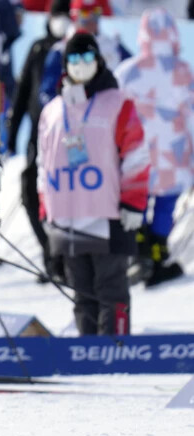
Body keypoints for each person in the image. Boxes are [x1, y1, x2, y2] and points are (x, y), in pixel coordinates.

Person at [37, 32, 148, 336]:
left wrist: (133, 202)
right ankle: (86, 357)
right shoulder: (51, 111)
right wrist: (46, 209)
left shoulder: (118, 102)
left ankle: (116, 353)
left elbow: (137, 155)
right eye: (74, 59)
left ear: (99, 60)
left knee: (111, 289)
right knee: (82, 293)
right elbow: (41, 164)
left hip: (108, 213)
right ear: (65, 65)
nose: (81, 65)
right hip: (67, 216)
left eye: (87, 58)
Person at [115, 8, 192, 287]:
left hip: (138, 154)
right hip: (175, 154)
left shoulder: (127, 71)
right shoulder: (183, 71)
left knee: (137, 202)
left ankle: (138, 254)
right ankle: (158, 255)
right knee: (165, 206)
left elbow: (113, 113)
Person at [9, 0, 71, 283]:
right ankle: (51, 253)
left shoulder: (79, 47)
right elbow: (23, 95)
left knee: (64, 195)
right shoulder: (38, 49)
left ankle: (67, 257)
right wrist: (11, 137)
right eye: (58, 15)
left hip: (72, 139)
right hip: (39, 137)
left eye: (66, 15)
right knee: (30, 191)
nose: (62, 21)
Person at [40, 0, 130, 104]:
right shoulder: (61, 50)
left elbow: (134, 80)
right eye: (84, 14)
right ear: (75, 16)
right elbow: (47, 93)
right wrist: (69, 110)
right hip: (74, 114)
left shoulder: (114, 47)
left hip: (107, 114)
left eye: (95, 13)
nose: (90, 19)